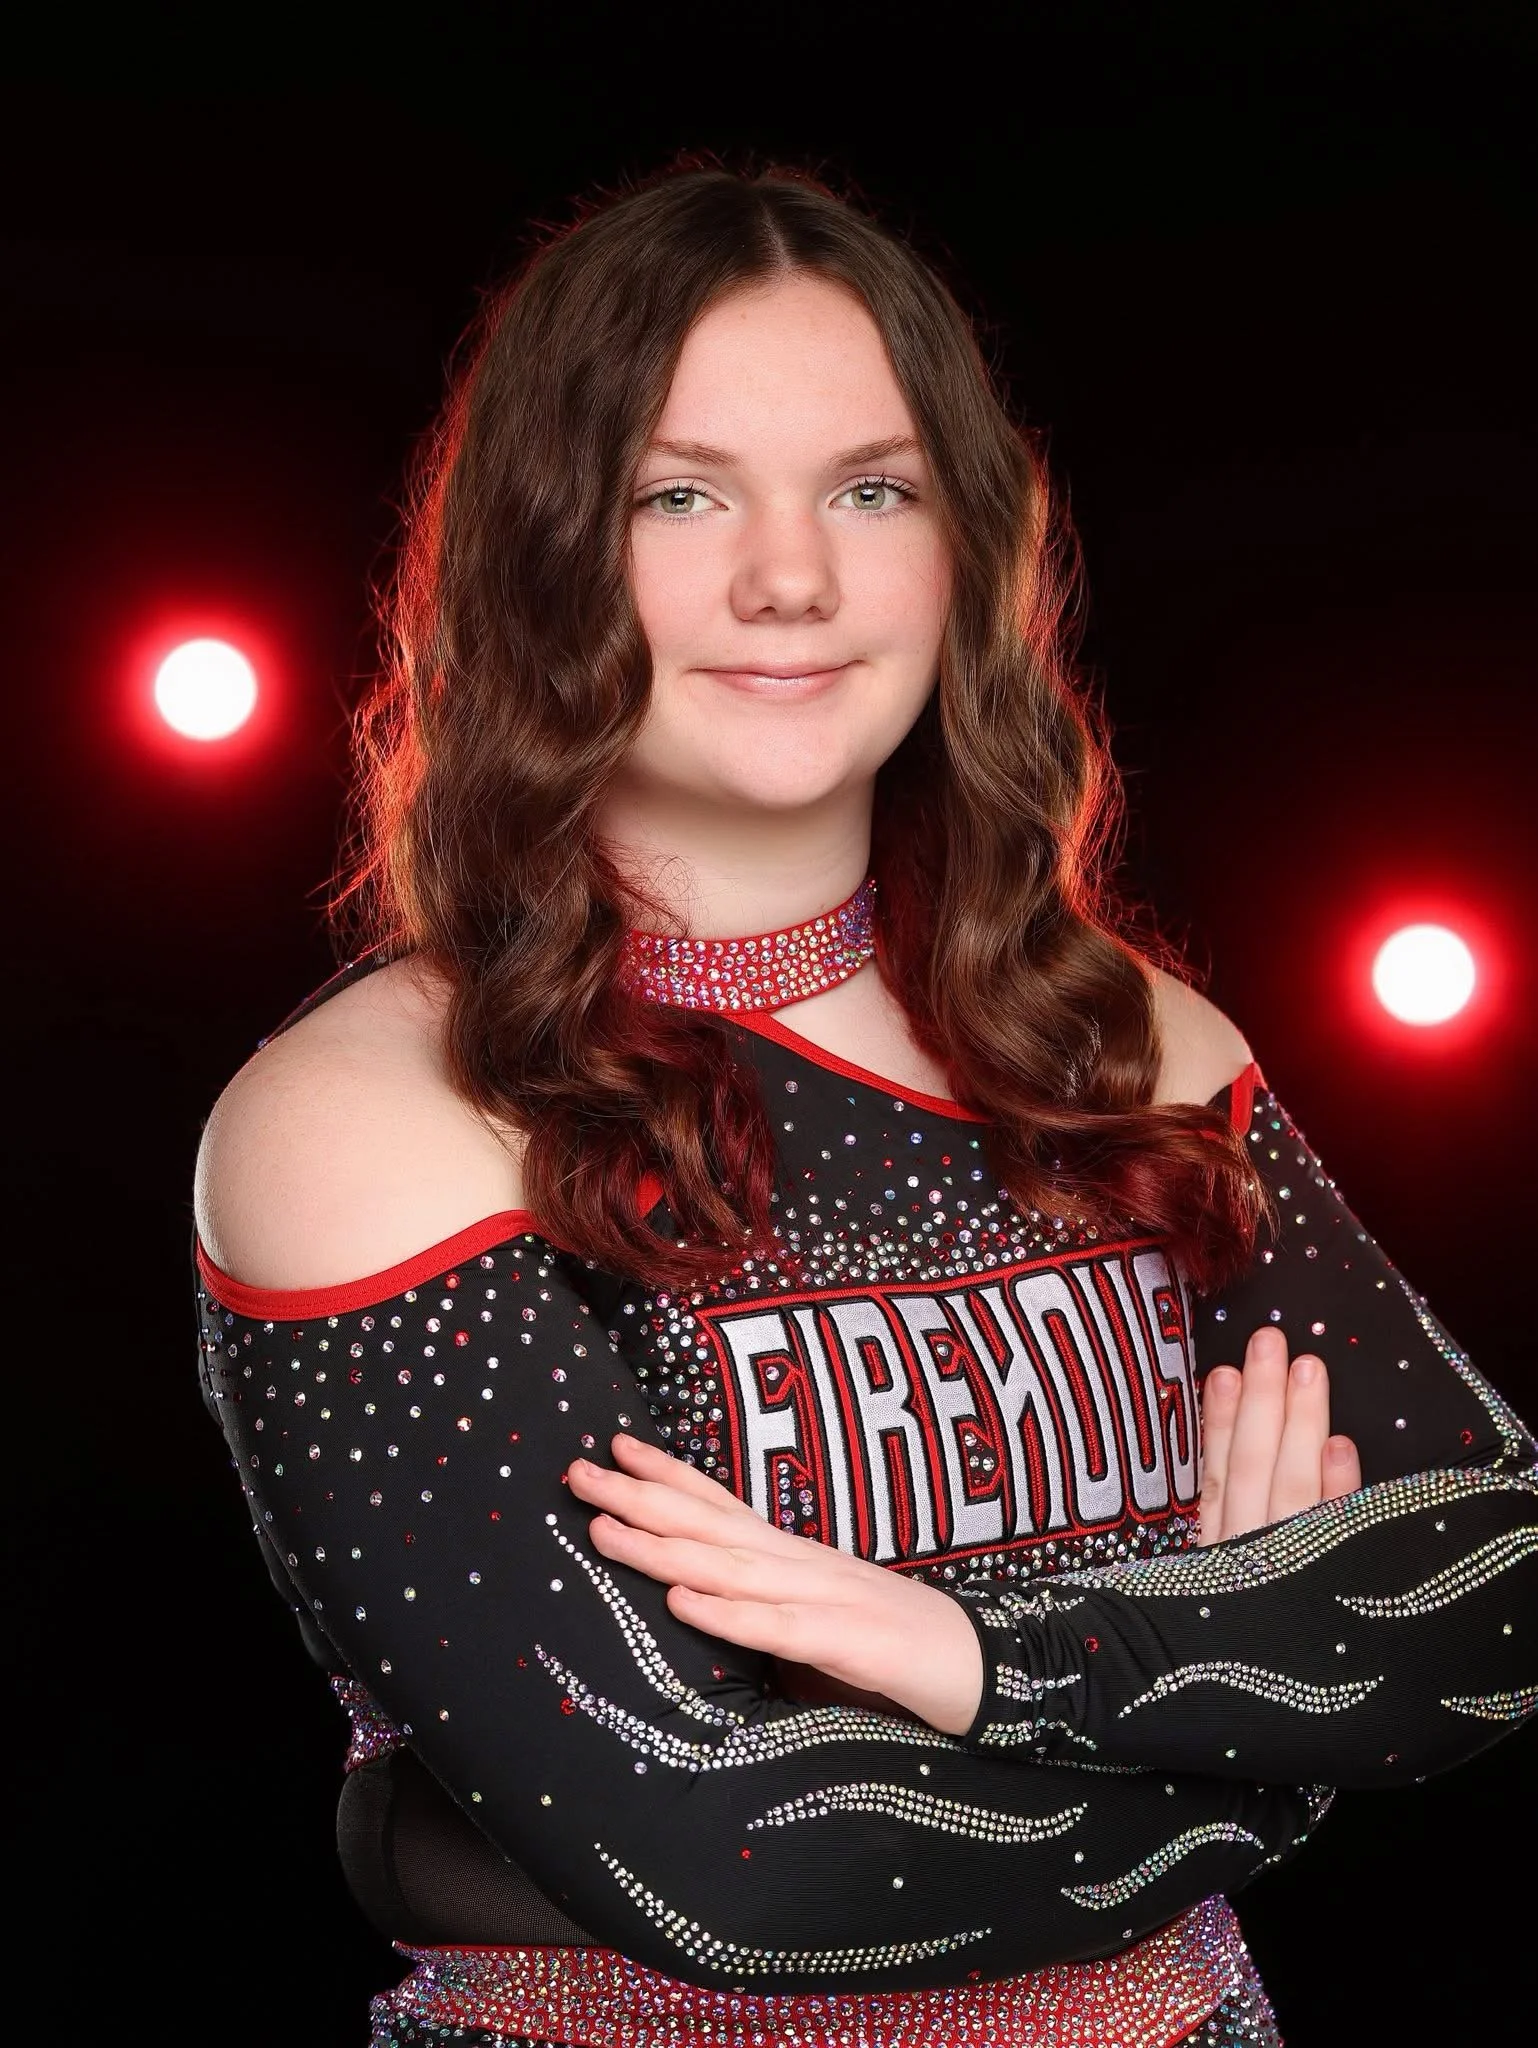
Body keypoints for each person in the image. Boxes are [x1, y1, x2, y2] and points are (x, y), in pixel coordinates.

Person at [191, 162, 1538, 2048]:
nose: (790, 581)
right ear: (541, 548)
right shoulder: (373, 1117)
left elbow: (1491, 1589)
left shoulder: (1126, 1041)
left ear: (963, 544)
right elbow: (741, 1858)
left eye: (869, 489)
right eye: (681, 495)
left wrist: (975, 1660)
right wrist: (1266, 1697)